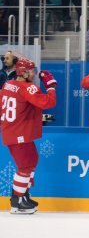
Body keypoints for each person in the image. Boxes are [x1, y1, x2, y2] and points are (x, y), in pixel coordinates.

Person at [0, 58, 57, 214]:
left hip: (13, 130)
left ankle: (22, 194)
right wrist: (51, 86)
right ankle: (17, 201)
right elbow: (48, 103)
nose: (34, 73)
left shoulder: (8, 84)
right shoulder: (28, 87)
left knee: (32, 160)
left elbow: (18, 105)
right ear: (23, 72)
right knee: (26, 165)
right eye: (31, 71)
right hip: (18, 133)